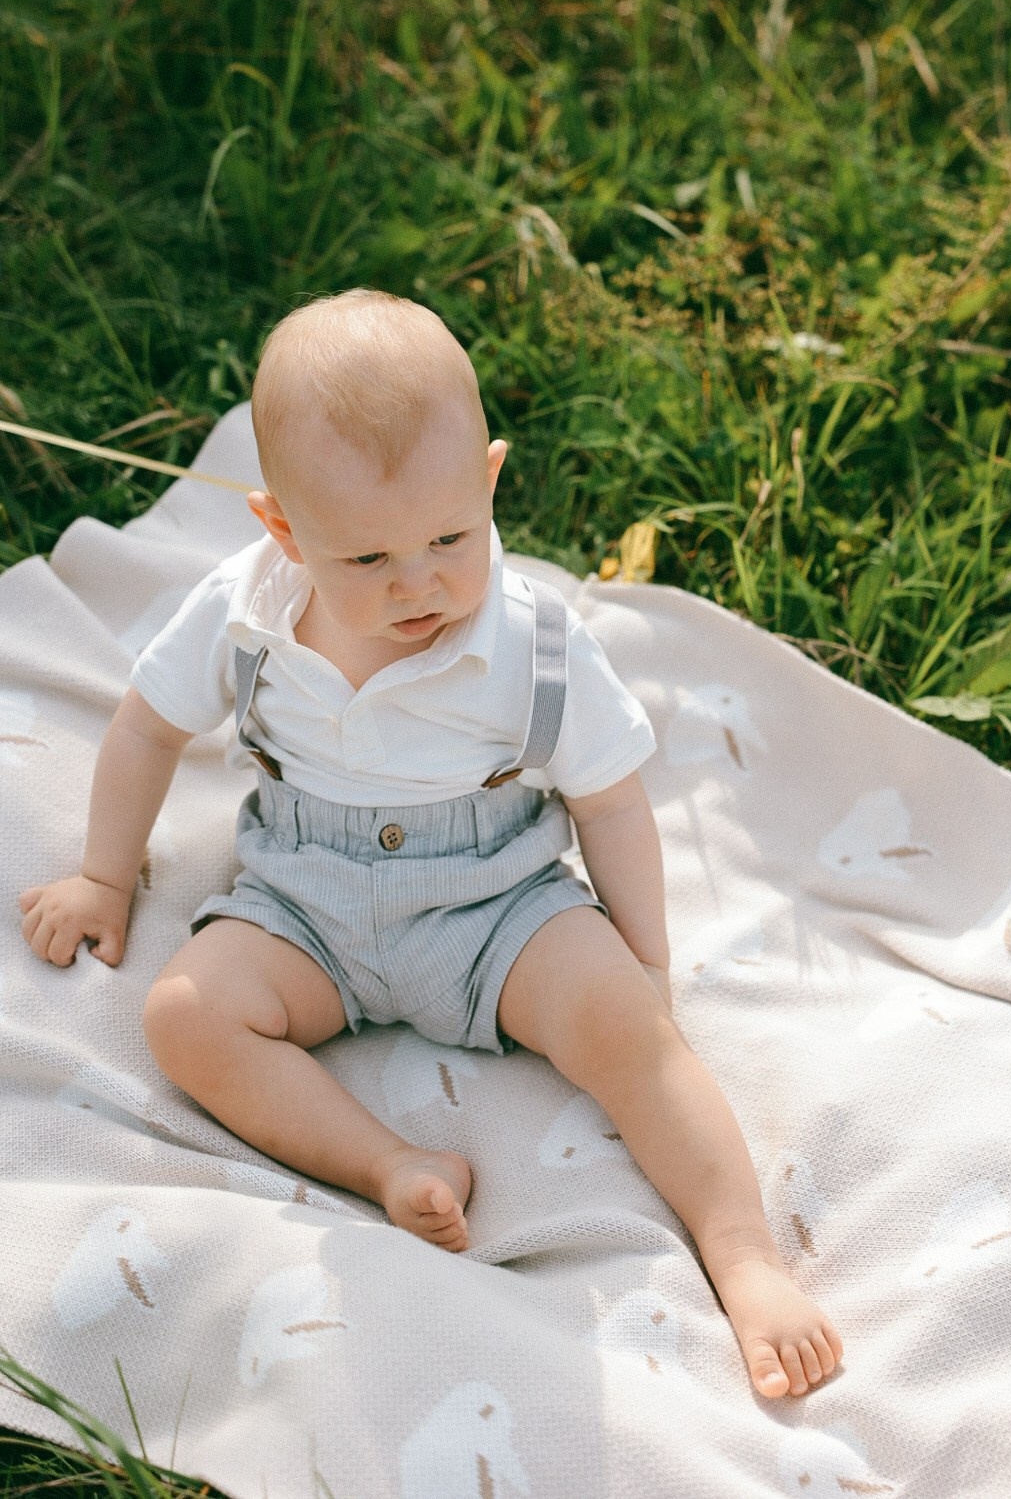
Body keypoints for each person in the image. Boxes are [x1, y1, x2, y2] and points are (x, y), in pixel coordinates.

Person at [18, 289, 843, 1400]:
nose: (419, 583)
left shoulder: (536, 645)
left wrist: (641, 964)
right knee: (185, 1015)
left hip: (496, 899)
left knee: (630, 1034)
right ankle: (389, 1163)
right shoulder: (245, 612)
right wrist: (104, 875)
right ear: (281, 530)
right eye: (364, 560)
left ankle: (744, 1260)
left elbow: (607, 803)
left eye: (450, 537)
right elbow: (146, 726)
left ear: (490, 480)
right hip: (304, 903)